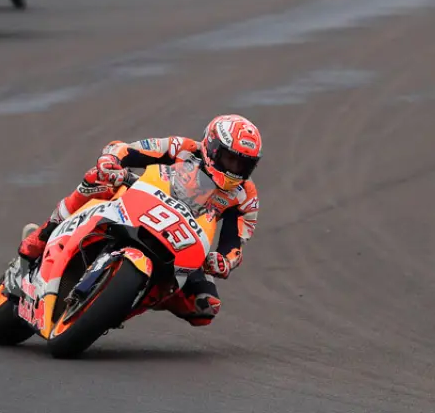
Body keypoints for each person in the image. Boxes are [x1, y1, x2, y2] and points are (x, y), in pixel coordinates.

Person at [17, 114, 263, 327]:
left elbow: (235, 242)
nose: (235, 169)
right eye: (231, 159)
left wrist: (223, 261)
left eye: (244, 164)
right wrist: (112, 161)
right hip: (141, 204)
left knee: (206, 307)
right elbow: (130, 150)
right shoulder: (182, 148)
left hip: (183, 240)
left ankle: (128, 301)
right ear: (212, 147)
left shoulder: (245, 196)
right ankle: (44, 234)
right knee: (98, 178)